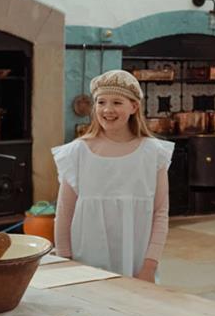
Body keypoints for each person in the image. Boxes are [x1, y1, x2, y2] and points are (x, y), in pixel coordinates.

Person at [53, 69, 173, 282]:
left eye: (117, 102)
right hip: (85, 261)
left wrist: (149, 265)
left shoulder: (153, 154)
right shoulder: (77, 153)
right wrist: (64, 260)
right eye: (101, 102)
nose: (107, 110)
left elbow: (160, 213)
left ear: (134, 106)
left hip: (136, 262)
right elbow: (64, 212)